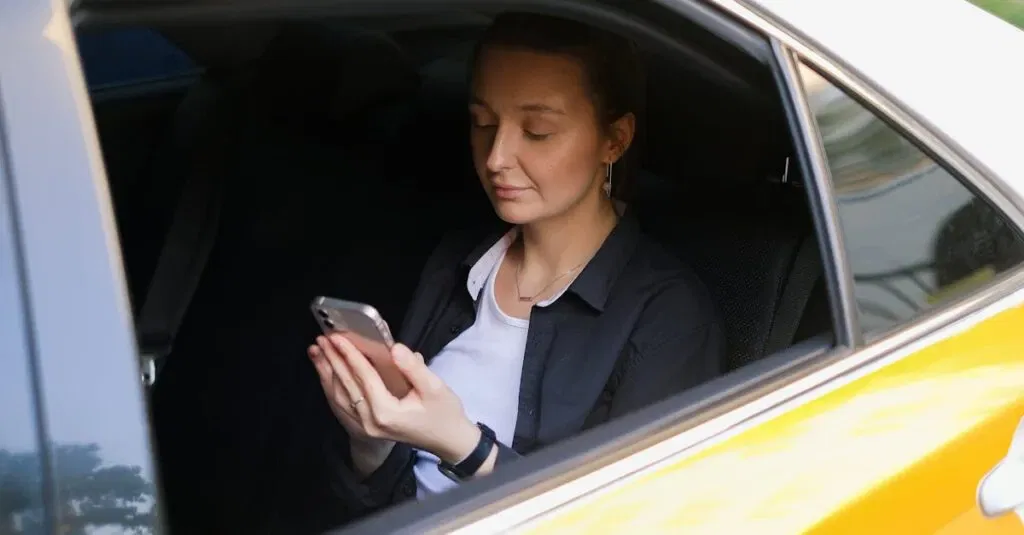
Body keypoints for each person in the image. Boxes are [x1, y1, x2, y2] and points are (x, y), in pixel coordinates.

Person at [306, 11, 725, 518]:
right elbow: (385, 496)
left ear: (614, 140)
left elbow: (632, 518)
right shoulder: (457, 263)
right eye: (483, 123)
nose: (497, 157)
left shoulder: (667, 315)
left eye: (538, 131)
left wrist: (464, 446)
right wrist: (371, 439)